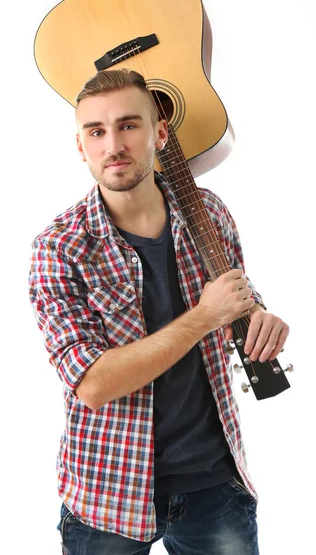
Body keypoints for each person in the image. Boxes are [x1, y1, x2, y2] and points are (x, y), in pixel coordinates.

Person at [28, 68, 289, 555]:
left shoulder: (209, 214)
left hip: (214, 482)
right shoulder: (59, 249)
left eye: (129, 125)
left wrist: (261, 320)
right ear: (80, 146)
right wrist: (203, 317)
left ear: (160, 132)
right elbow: (92, 384)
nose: (113, 145)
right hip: (106, 491)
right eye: (96, 131)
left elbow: (237, 301)